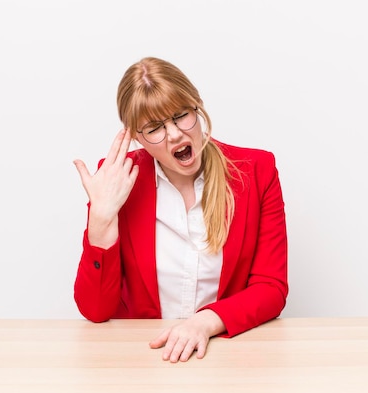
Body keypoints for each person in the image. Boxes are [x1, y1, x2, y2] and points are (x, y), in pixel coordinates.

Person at [73, 57, 288, 363]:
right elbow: (95, 311)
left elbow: (271, 288)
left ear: (197, 106)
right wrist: (101, 219)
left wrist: (204, 323)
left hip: (226, 354)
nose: (174, 134)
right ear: (136, 136)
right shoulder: (117, 180)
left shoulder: (257, 171)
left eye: (180, 116)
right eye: (155, 128)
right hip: (142, 358)